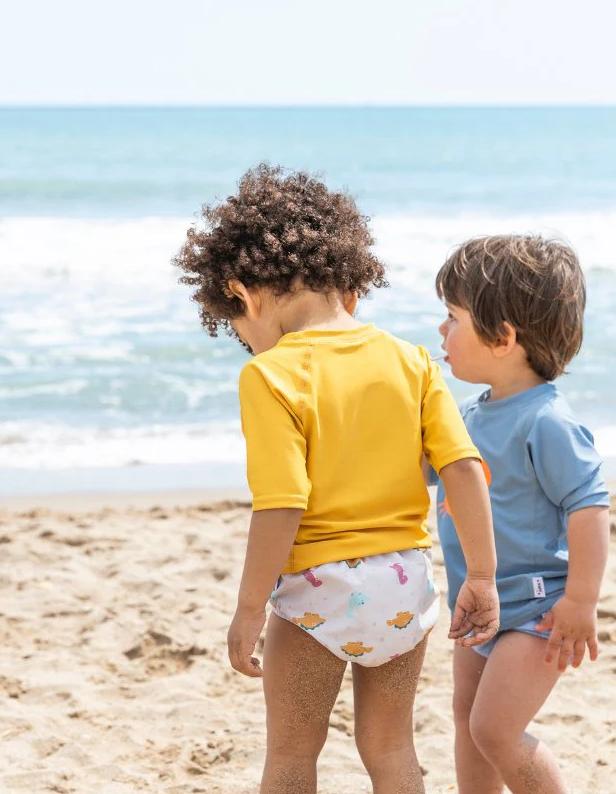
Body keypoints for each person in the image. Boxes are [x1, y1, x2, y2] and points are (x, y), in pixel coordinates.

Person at [173, 164, 499, 794]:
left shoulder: (270, 376)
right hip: (404, 582)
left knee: (293, 755)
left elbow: (281, 505)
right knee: (391, 748)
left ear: (242, 292)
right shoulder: (412, 361)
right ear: (347, 282)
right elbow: (461, 469)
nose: (249, 344)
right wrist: (481, 575)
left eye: (239, 328)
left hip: (317, 590)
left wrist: (247, 608)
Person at [433, 234, 611, 793]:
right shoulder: (467, 414)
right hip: (477, 602)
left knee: (496, 730)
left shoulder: (547, 421)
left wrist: (580, 600)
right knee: (466, 717)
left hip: (538, 609)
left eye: (452, 317)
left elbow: (589, 506)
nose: (442, 331)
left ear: (503, 337)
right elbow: (427, 472)